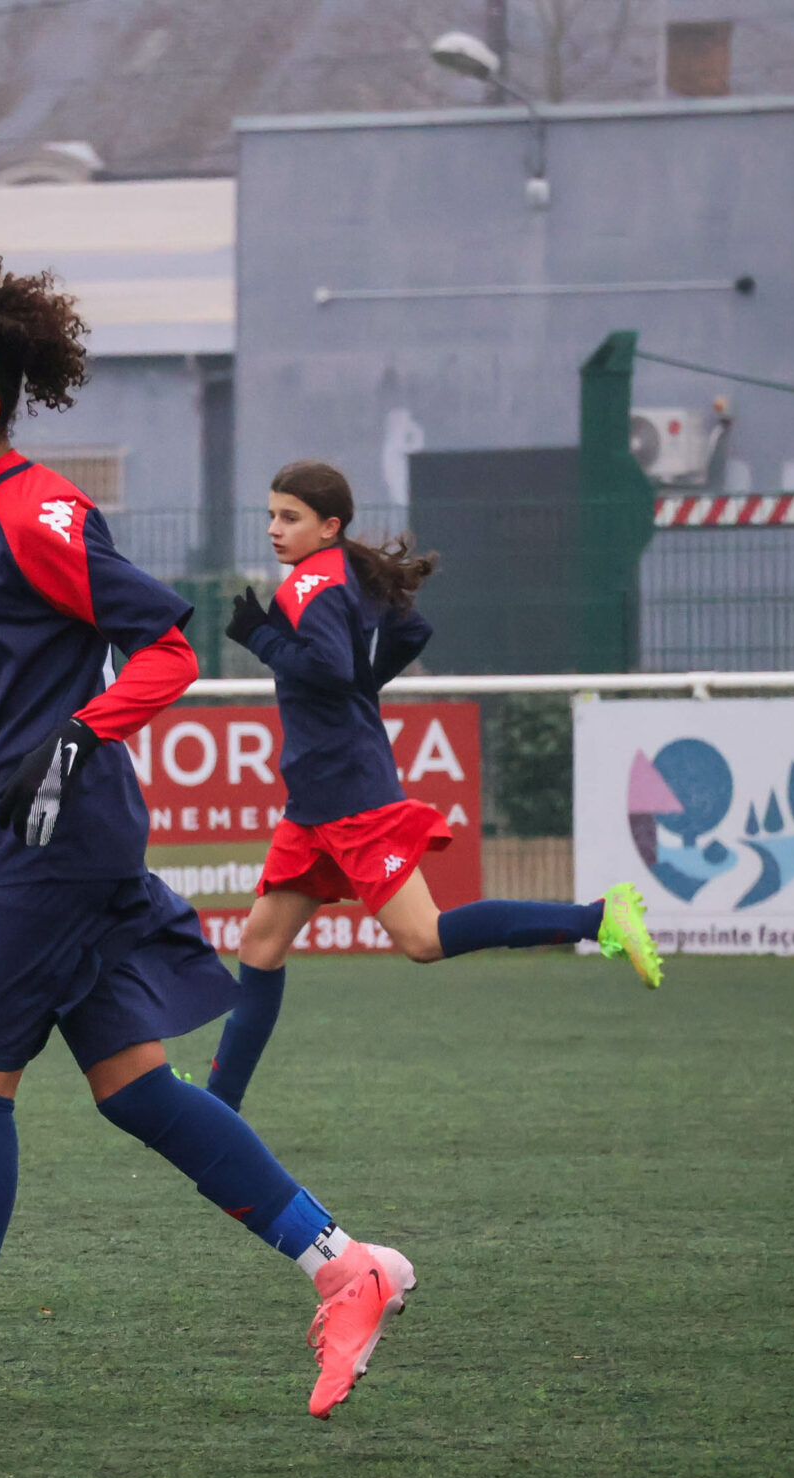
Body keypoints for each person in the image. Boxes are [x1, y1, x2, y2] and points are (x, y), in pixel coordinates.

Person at [0, 250, 411, 1441]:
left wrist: (79, 738)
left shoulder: (38, 512)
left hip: (59, 842)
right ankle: (346, 1268)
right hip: (41, 835)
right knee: (135, 1089)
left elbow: (166, 648)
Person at [201, 460, 663, 1113]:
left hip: (349, 796)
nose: (275, 528)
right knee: (260, 944)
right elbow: (409, 632)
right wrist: (358, 687)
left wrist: (261, 638)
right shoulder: (345, 570)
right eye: (272, 515)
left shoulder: (308, 584)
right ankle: (217, 1109)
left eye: (290, 517)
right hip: (316, 802)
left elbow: (329, 668)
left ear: (329, 526)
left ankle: (600, 917)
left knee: (424, 939)